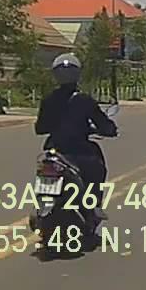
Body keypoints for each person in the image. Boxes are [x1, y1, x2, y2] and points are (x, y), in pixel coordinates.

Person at [35, 54, 118, 200]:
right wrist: (108, 129)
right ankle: (93, 204)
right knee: (97, 169)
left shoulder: (48, 100)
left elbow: (40, 128)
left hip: (55, 150)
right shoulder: (84, 100)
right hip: (80, 151)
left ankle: (43, 205)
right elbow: (104, 125)